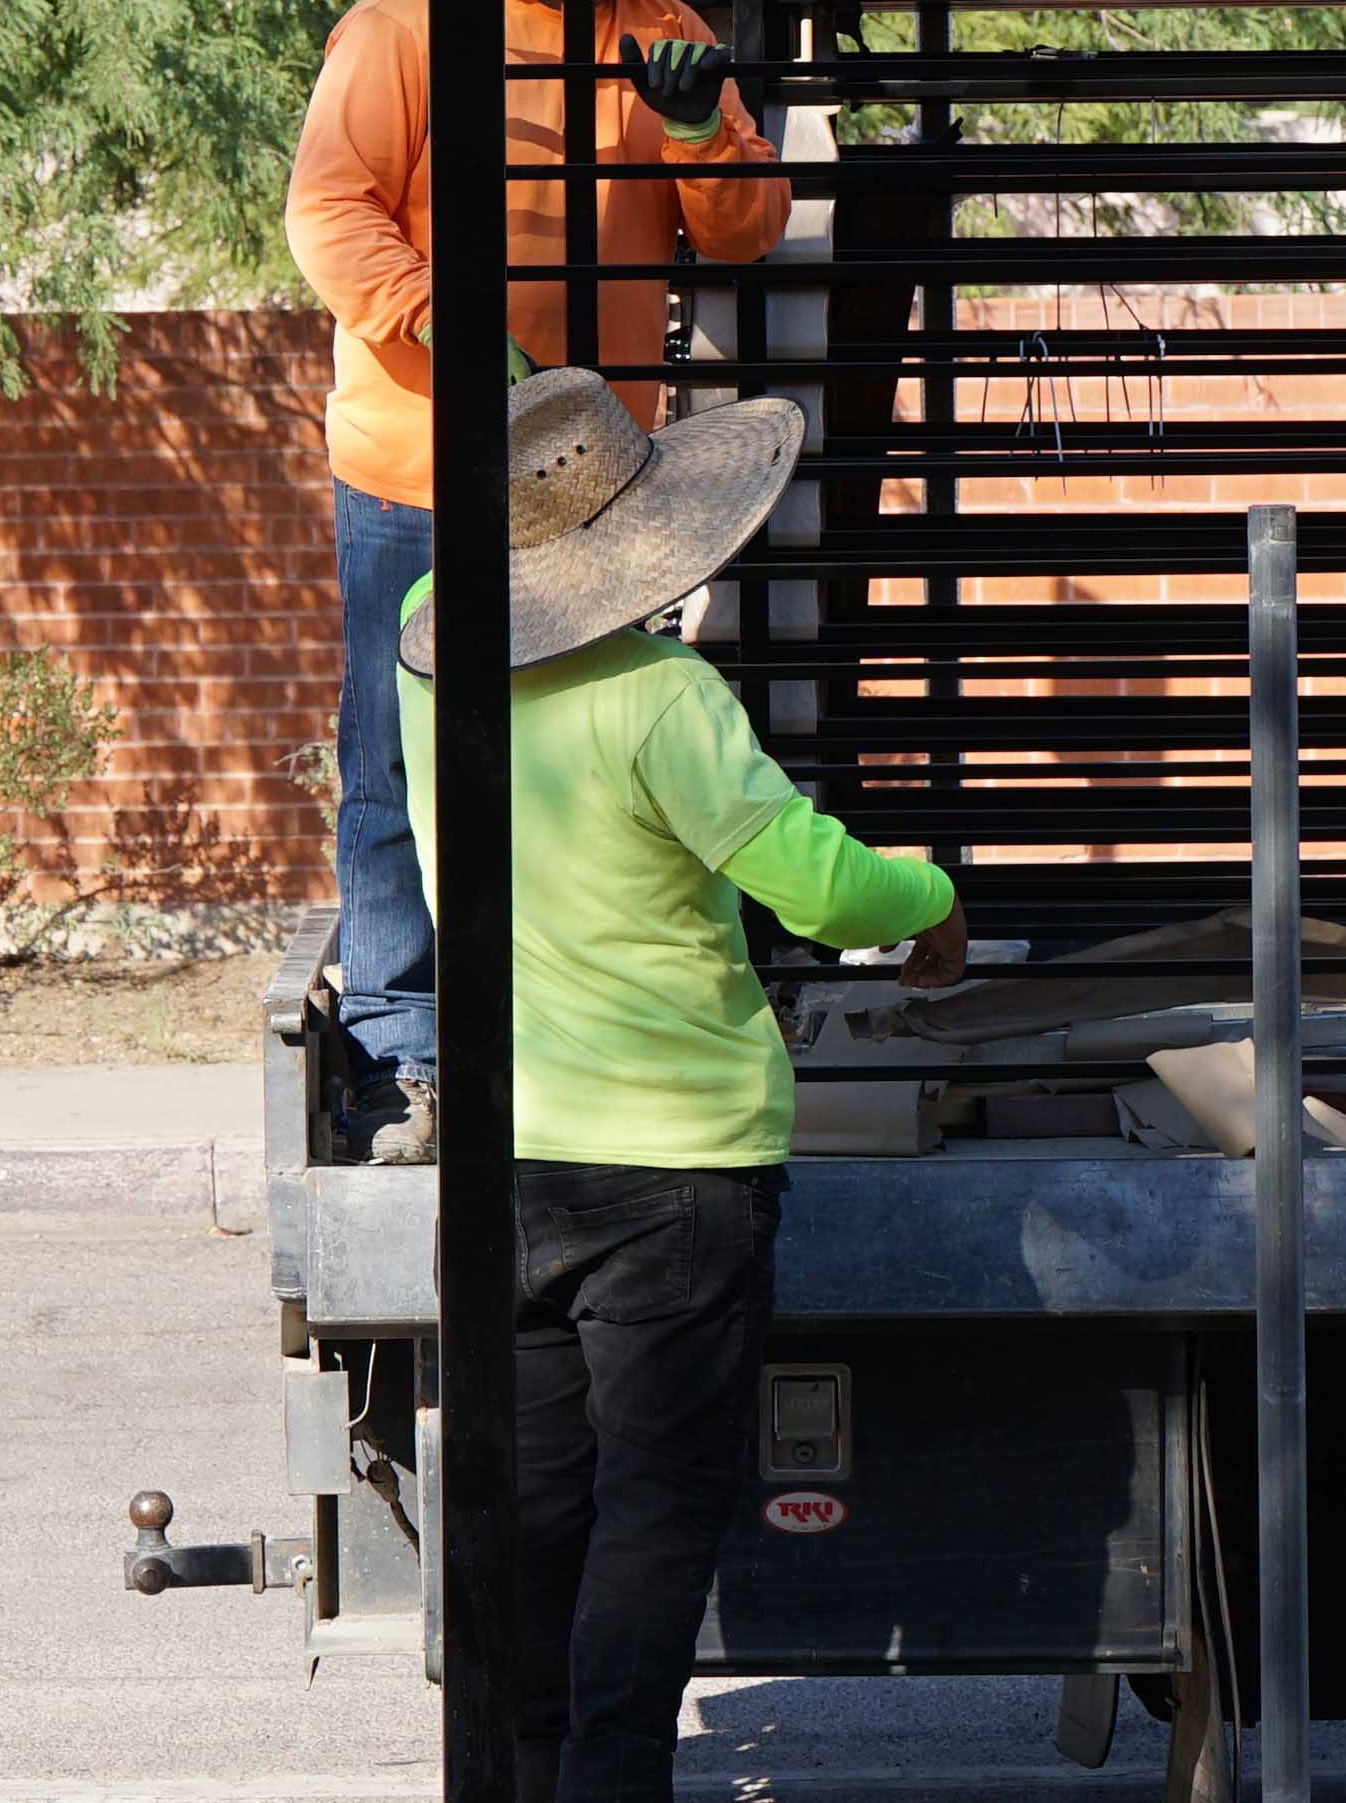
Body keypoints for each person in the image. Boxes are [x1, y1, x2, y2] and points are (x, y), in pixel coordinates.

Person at [402, 368, 967, 1803]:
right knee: (655, 1512)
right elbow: (817, 883)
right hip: (673, 1177)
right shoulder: (664, 699)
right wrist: (934, 893)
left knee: (532, 1504)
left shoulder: (432, 685)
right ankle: (614, 1779)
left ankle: (524, 1773)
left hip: (507, 1157)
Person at [286, 0, 786, 1161]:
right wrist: (441, 314)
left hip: (591, 489)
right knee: (398, 758)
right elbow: (328, 212)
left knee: (587, 757)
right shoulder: (402, 32)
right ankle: (405, 1056)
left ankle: (569, 1040)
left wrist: (699, 130)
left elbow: (743, 233)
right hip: (416, 470)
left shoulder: (661, 34)